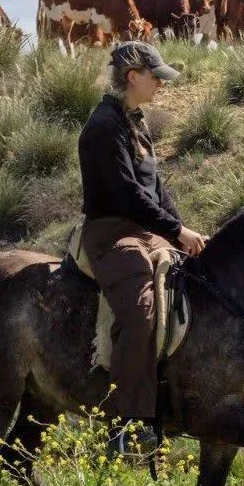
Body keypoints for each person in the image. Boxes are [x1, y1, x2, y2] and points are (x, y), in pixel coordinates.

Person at [77, 40, 207, 458]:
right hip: (113, 234)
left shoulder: (135, 120)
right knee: (143, 312)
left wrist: (184, 232)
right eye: (156, 77)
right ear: (133, 77)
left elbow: (156, 188)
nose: (161, 86)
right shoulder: (103, 126)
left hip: (147, 230)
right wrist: (174, 229)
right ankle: (126, 426)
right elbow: (128, 193)